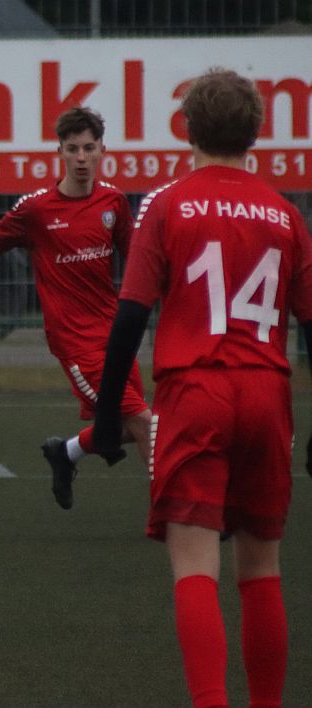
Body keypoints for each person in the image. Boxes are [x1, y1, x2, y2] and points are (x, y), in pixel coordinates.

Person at [92, 68, 310, 708]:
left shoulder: (167, 205)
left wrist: (107, 416)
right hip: (267, 393)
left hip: (196, 391)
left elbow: (130, 318)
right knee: (262, 572)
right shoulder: (286, 214)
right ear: (256, 132)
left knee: (194, 570)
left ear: (187, 128)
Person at [0, 106, 151, 510]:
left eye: (89, 148)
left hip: (115, 334)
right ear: (59, 152)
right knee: (144, 421)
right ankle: (174, 509)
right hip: (74, 342)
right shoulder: (37, 209)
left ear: (102, 151)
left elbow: (136, 261)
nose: (81, 158)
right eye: (73, 149)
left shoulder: (113, 202)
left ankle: (66, 452)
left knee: (124, 427)